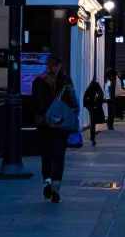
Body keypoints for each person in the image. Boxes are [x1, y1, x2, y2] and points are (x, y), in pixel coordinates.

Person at [31, 55, 77, 203]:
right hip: (46, 124)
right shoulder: (40, 82)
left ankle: (55, 187)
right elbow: (35, 102)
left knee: (57, 156)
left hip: (58, 126)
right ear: (48, 66)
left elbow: (73, 102)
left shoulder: (65, 82)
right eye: (53, 65)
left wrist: (72, 118)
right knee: (47, 155)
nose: (55, 68)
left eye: (57, 65)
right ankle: (48, 183)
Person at [82, 77, 105, 146]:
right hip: (95, 108)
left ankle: (92, 136)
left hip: (91, 108)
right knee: (93, 122)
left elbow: (85, 98)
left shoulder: (90, 90)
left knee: (92, 122)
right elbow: (100, 99)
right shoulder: (98, 91)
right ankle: (92, 136)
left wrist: (87, 106)